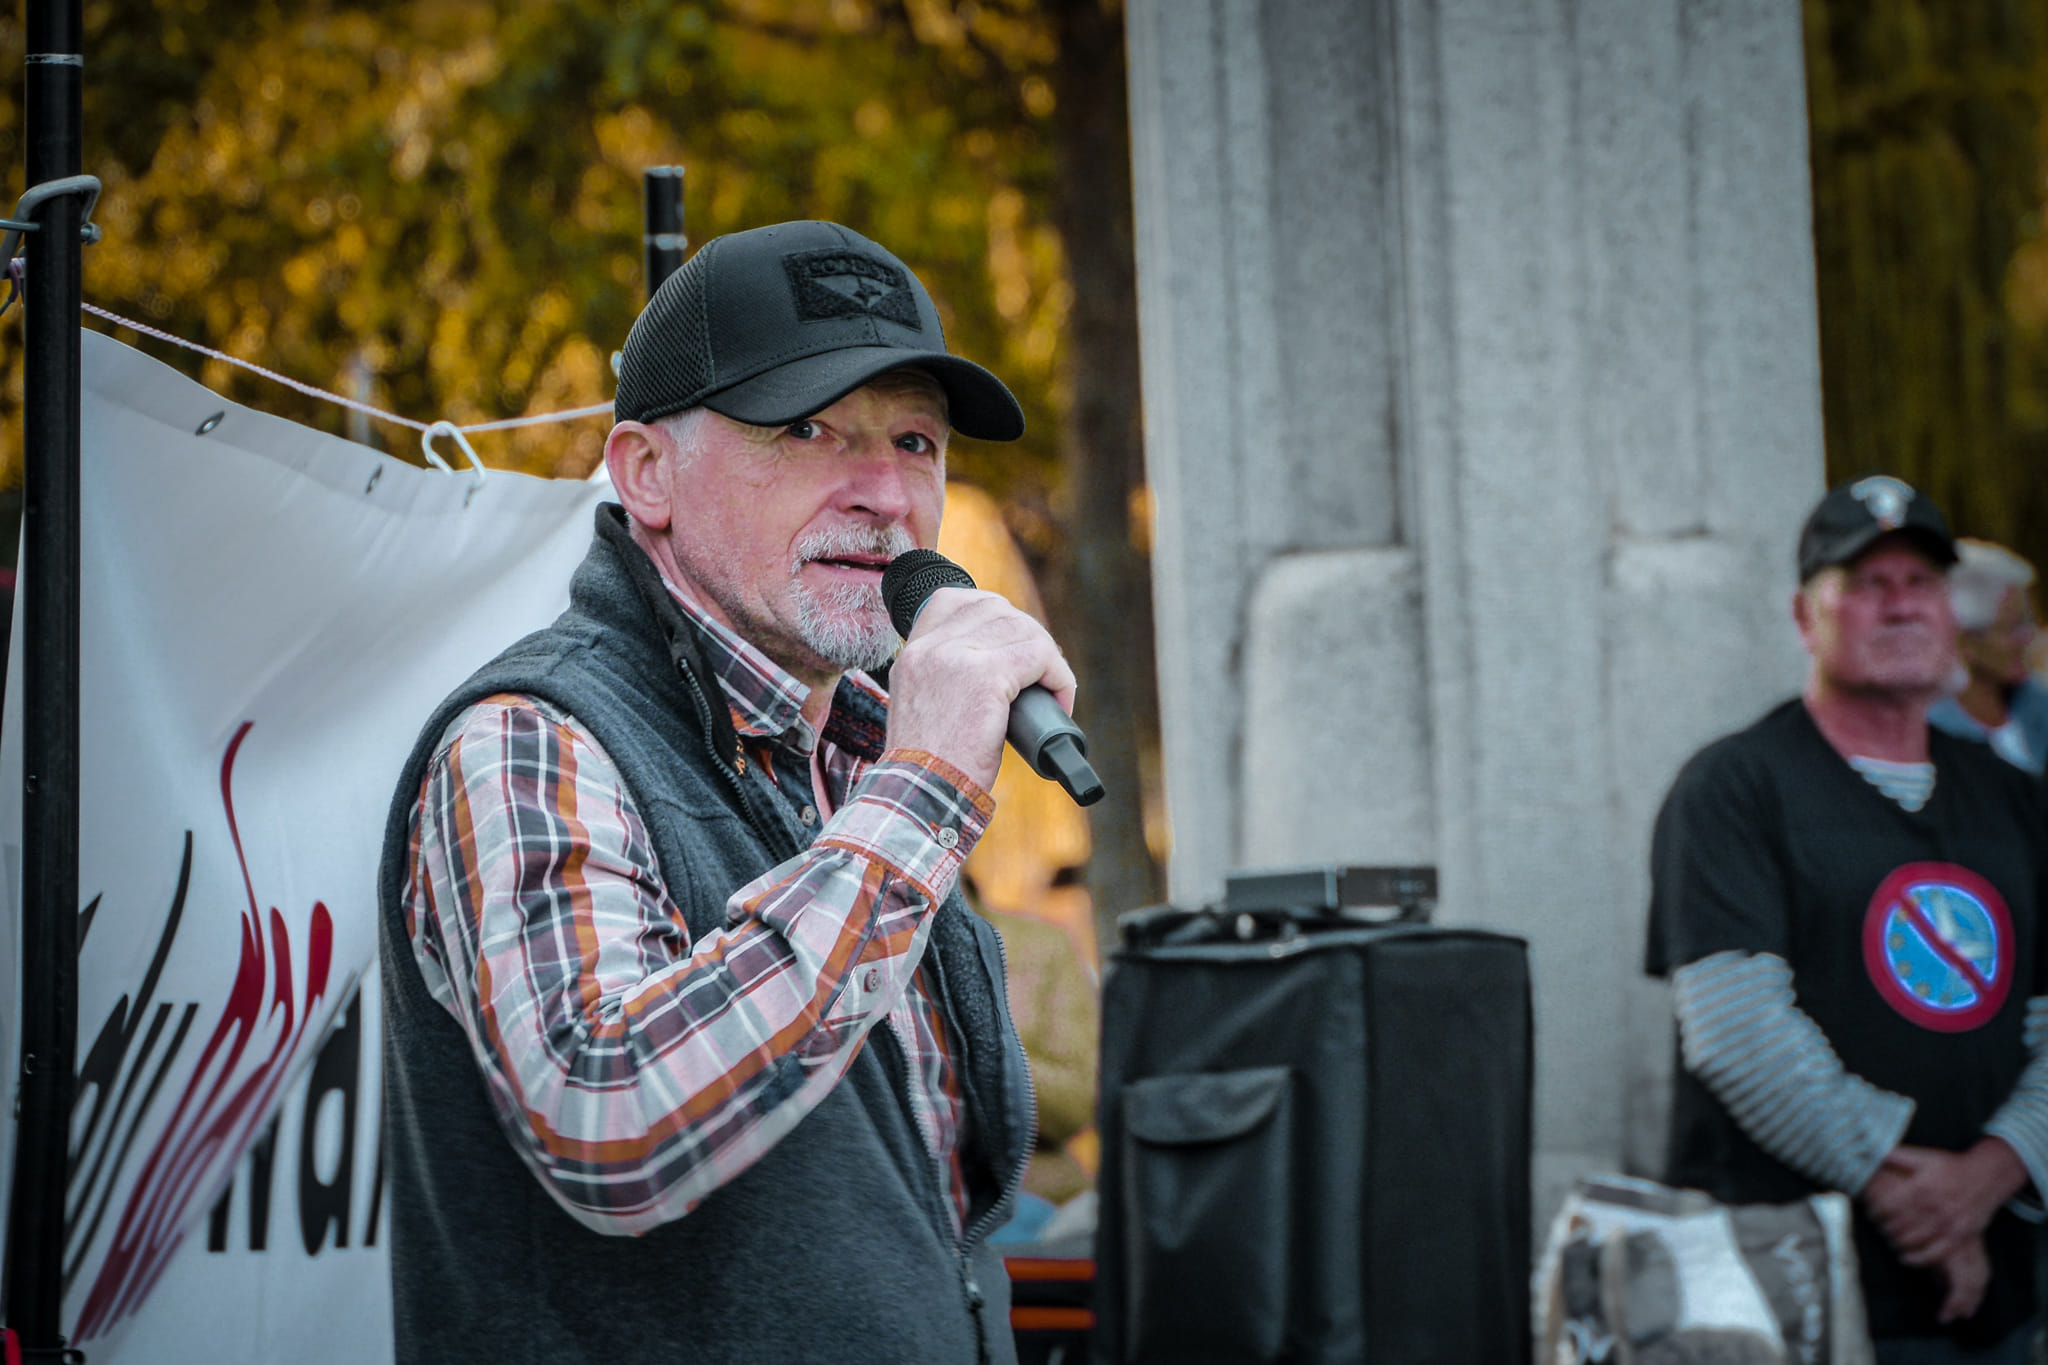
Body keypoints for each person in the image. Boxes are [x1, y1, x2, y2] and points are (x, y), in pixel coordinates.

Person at [375, 220, 1063, 1364]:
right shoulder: (528, 738)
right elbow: (607, 1118)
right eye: (806, 430)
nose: (886, 494)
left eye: (915, 441)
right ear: (646, 472)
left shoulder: (857, 751)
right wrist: (925, 790)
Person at [1645, 475, 2048, 1361]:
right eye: (1867, 583)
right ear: (1804, 617)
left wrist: (1991, 1174)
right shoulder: (1733, 788)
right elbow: (1736, 1030)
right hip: (1795, 1296)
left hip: (2004, 1296)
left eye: (1921, 583)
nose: (1900, 605)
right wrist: (1912, 1190)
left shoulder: (2018, 799)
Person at [1929, 538, 2048, 775]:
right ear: (1965, 643)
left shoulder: (2038, 704)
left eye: (2030, 622)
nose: (2029, 636)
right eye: (2013, 627)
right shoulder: (1931, 733)